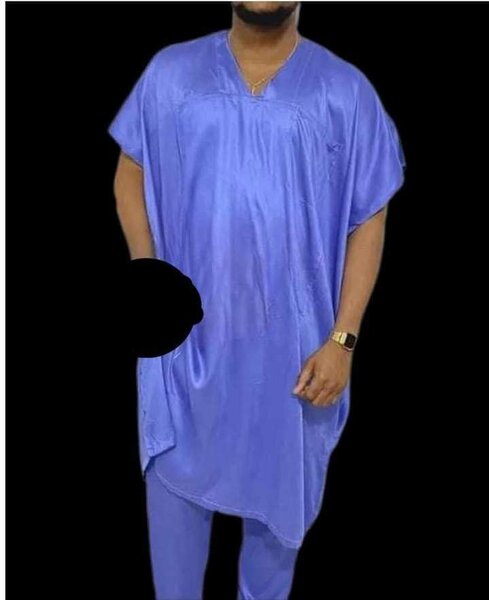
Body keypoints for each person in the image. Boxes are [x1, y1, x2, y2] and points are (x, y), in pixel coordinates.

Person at [108, 2, 407, 599]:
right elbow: (130, 169)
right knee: (174, 566)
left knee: (272, 557)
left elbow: (369, 217)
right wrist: (147, 273)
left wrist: (343, 339)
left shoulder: (344, 92)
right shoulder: (171, 73)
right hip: (184, 350)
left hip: (293, 362)